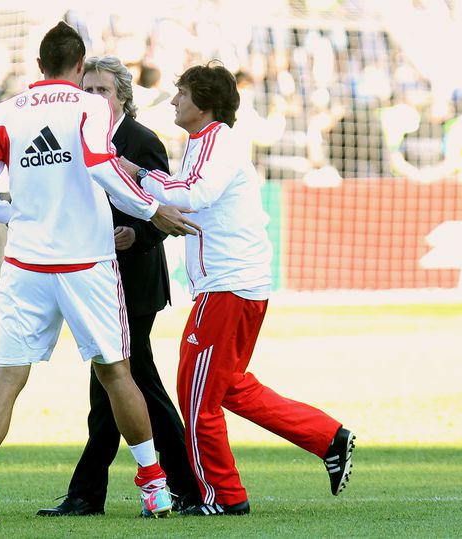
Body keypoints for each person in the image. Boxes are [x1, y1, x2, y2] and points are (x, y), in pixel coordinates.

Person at [0, 22, 199, 522]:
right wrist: (153, 210)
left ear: (38, 65)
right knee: (116, 373)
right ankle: (153, 488)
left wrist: (18, 217)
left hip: (26, 263)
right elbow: (102, 165)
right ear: (79, 66)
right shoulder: (88, 107)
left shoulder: (5, 112)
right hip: (84, 262)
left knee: (7, 378)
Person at [119, 62, 355, 516]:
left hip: (229, 286)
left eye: (181, 93)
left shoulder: (220, 143)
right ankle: (328, 437)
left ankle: (223, 497)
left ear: (203, 103)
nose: (173, 101)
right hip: (230, 284)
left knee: (194, 395)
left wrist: (138, 172)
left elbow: (194, 194)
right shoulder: (202, 142)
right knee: (228, 388)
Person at [36, 55, 201, 518]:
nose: (91, 98)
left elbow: (160, 206)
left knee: (123, 382)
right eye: (85, 89)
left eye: (101, 90)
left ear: (123, 97)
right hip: (93, 278)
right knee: (126, 384)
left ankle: (94, 494)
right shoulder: (76, 138)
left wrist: (137, 233)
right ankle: (181, 485)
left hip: (132, 280)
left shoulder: (141, 141)